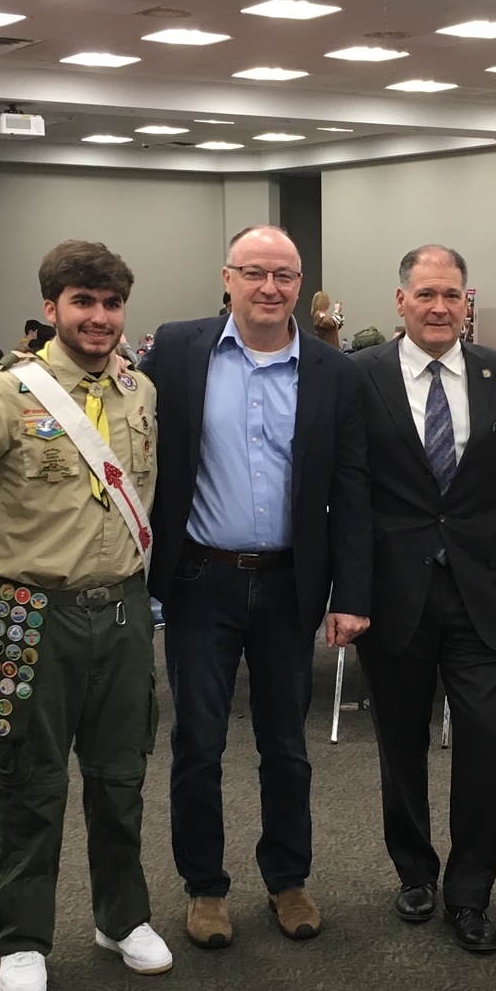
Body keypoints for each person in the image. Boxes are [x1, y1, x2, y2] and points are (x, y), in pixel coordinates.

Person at [140, 225, 371, 950]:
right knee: (198, 742)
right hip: (200, 579)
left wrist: (351, 592)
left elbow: (352, 488)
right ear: (228, 277)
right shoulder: (177, 352)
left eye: (284, 275)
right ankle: (205, 888)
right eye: (254, 272)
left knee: (286, 744)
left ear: (300, 286)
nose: (270, 287)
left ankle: (288, 878)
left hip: (288, 586)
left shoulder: (334, 372)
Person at [0, 240, 171, 991]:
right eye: (82, 303)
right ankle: (22, 937)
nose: (99, 318)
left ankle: (122, 917)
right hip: (26, 614)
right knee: (27, 777)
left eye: (111, 303)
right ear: (51, 309)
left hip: (119, 609)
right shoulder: (3, 394)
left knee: (121, 775)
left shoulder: (140, 393)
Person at [354, 244, 496, 954]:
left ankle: (470, 892)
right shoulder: (362, 376)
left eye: (453, 296)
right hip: (393, 592)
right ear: (401, 301)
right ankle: (414, 870)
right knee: (400, 745)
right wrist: (346, 592)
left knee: (480, 750)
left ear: (467, 303)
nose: (441, 308)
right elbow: (346, 492)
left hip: (480, 594)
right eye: (427, 294)